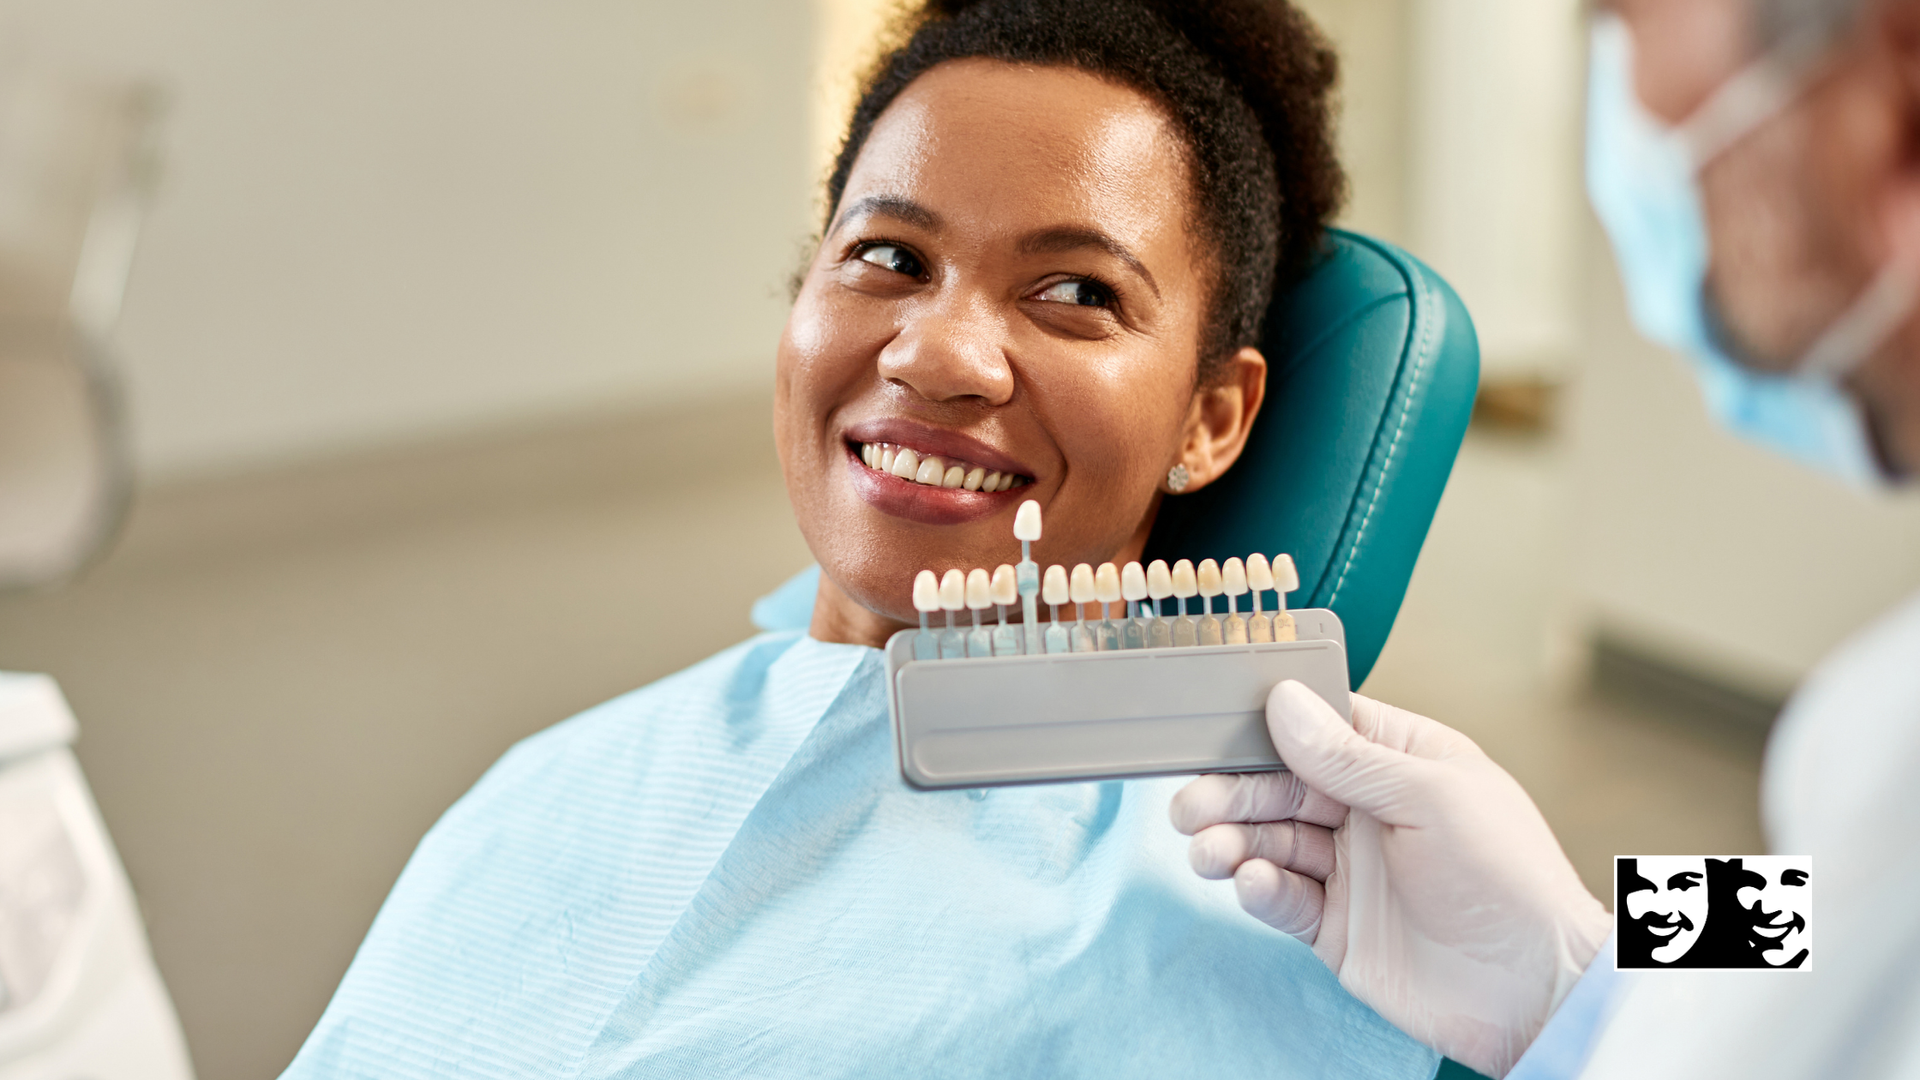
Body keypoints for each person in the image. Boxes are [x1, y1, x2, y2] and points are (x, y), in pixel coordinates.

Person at [279, 1, 1446, 1077]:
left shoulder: (1261, 902)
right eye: (890, 258)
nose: (935, 357)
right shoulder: (552, 781)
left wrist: (1586, 967)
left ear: (1212, 417)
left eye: (1077, 292)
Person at [1170, 0, 1920, 1075]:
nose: (1625, 108)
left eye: (1629, 16)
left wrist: (1576, 1005)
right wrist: (1587, 944)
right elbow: (1817, 914)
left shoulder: (1888, 751)